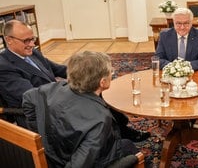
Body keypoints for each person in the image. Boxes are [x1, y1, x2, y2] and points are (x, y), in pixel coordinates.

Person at [0, 19, 150, 142]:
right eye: (26, 40)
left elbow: (58, 69)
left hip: (56, 97)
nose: (32, 44)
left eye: (32, 39)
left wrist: (90, 74)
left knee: (96, 88)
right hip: (43, 110)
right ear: (9, 40)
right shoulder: (4, 66)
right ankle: (110, 139)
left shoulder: (32, 53)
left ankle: (121, 130)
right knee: (92, 96)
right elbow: (31, 96)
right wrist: (68, 88)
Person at [23, 51, 140, 167]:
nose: (112, 73)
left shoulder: (53, 88)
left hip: (58, 152)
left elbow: (27, 98)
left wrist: (40, 138)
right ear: (102, 82)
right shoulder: (99, 119)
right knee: (128, 146)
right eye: (111, 72)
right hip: (79, 160)